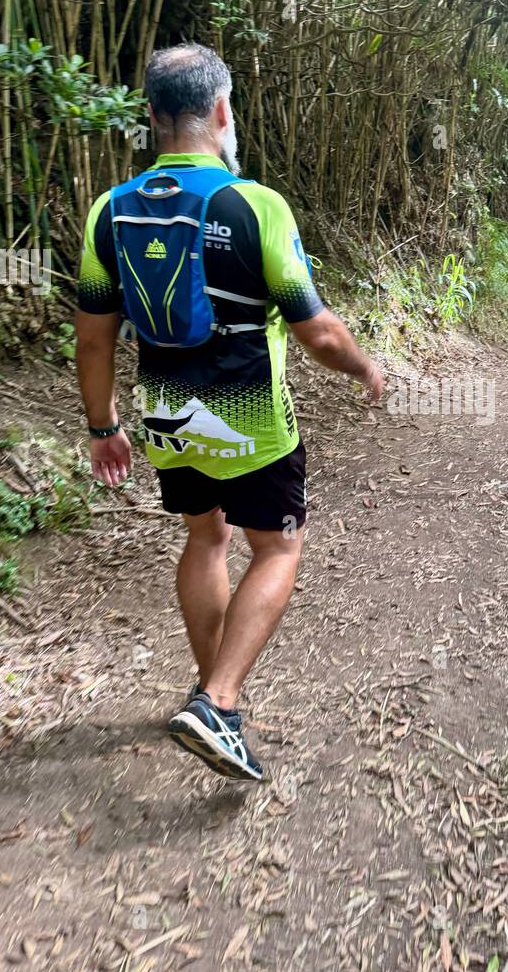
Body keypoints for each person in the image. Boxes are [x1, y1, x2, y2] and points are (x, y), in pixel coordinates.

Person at [75, 42, 384, 781]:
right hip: (249, 419)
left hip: (165, 419)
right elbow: (316, 331)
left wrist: (103, 427)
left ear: (151, 116)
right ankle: (218, 703)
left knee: (206, 540)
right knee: (276, 549)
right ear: (222, 111)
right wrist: (365, 365)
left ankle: (211, 700)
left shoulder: (108, 211)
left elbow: (93, 337)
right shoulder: (256, 206)